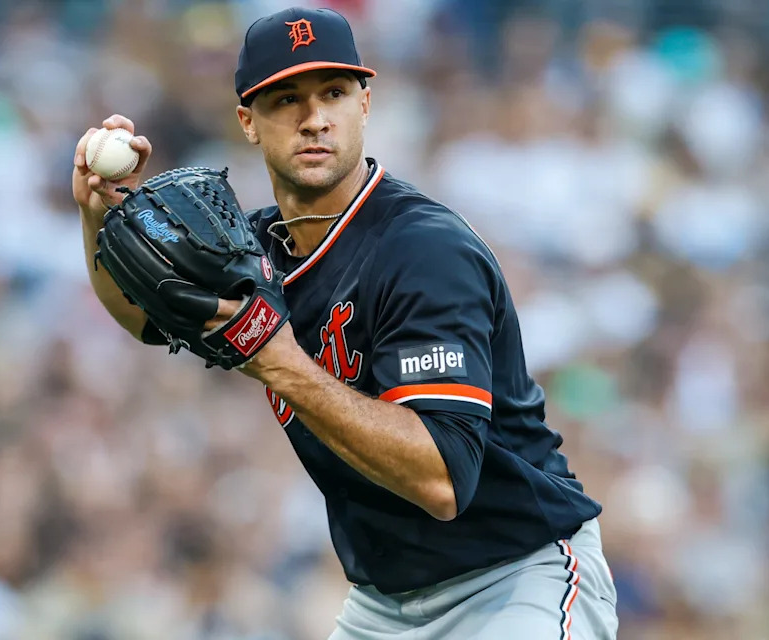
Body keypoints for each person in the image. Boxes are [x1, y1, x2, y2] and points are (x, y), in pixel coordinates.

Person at [72, 6, 618, 639]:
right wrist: (98, 215)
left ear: (365, 103)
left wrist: (278, 362)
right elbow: (142, 316)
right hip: (384, 605)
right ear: (248, 122)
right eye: (287, 99)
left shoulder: (422, 250)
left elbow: (441, 480)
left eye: (334, 92)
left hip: (516, 577)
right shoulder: (249, 252)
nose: (315, 117)